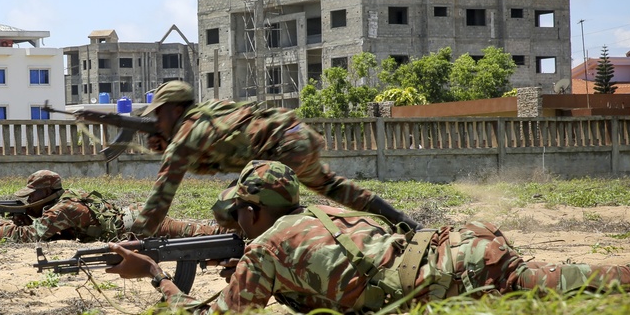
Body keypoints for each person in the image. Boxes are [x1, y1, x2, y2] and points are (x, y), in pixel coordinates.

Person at [105, 161, 630, 315]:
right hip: (455, 250)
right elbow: (338, 278)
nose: (235, 228)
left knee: (596, 283)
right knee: (571, 279)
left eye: (238, 216)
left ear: (254, 211)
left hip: (460, 274)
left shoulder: (266, 250)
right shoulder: (324, 214)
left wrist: (152, 277)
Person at [130, 80, 419, 237]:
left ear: (174, 109)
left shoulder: (186, 134)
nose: (156, 119)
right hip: (297, 137)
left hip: (281, 152)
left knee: (227, 209)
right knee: (334, 186)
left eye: (158, 112)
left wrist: (139, 235)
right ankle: (405, 223)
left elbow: (161, 196)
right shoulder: (209, 113)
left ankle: (281, 245)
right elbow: (212, 161)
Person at [0, 169, 228, 244]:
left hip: (137, 224)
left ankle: (240, 233)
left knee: (204, 234)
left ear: (47, 193)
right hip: (132, 217)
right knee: (199, 230)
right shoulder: (67, 198)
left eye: (33, 196)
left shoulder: (62, 209)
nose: (28, 201)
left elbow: (29, 236)